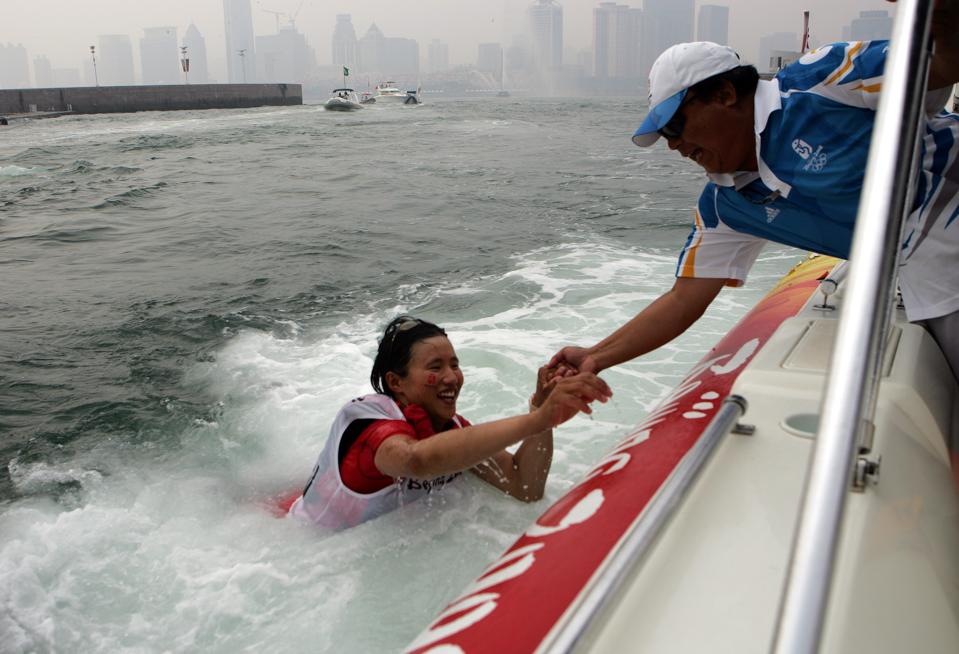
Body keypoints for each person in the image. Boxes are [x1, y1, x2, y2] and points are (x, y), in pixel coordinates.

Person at [550, 3, 959, 384]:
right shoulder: (727, 205)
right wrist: (595, 357)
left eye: (674, 126)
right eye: (663, 136)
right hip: (935, 285)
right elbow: (682, 300)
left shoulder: (819, 82)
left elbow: (942, 64)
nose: (673, 145)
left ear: (725, 95)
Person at [288, 316, 611, 530]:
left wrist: (543, 412)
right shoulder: (371, 425)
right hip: (302, 546)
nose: (451, 377)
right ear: (396, 382)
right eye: (436, 366)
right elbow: (415, 460)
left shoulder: (451, 429)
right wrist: (535, 419)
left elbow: (523, 486)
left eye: (454, 364)